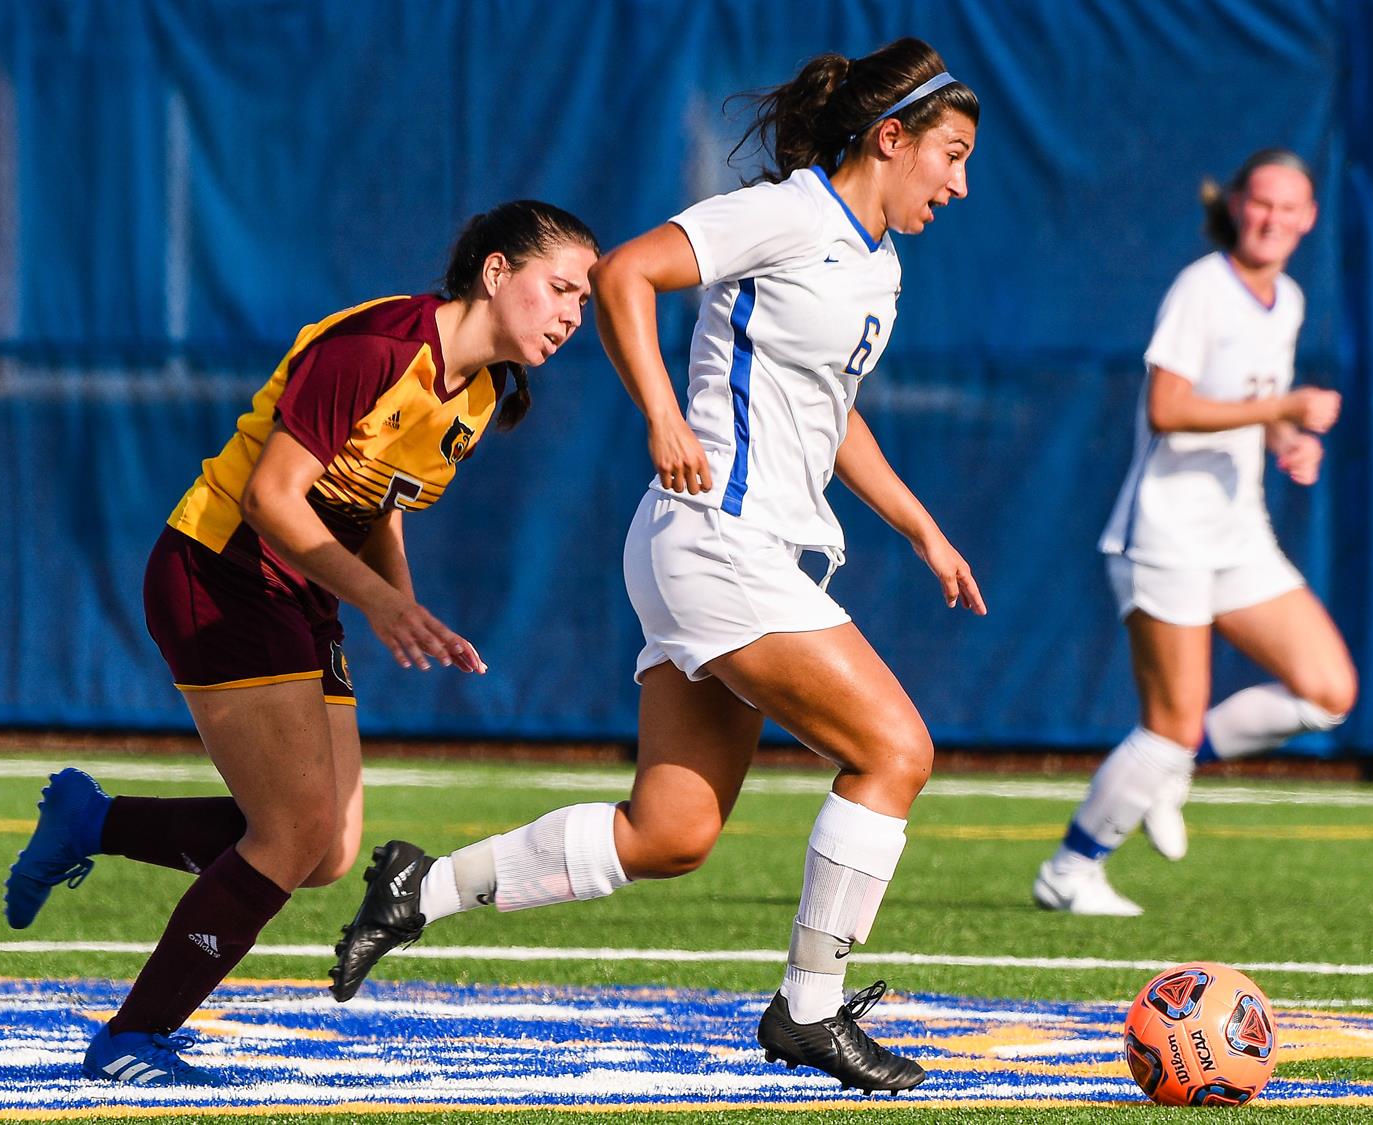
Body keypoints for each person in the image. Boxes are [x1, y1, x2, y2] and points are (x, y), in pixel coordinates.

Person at [326, 38, 982, 1096]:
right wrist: (663, 415)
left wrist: (919, 527)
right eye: (948, 154)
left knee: (669, 833)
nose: (956, 183)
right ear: (890, 137)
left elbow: (829, 414)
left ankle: (420, 887)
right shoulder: (794, 212)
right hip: (714, 541)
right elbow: (629, 270)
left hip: (737, 550)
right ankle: (807, 1011)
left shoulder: (877, 264)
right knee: (895, 750)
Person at [0, 201, 600, 1086]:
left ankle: (95, 820)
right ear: (496, 272)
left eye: (583, 299)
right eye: (561, 288)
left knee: (327, 849)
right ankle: (132, 1036)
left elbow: (379, 501)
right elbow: (272, 498)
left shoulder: (476, 395)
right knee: (293, 830)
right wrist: (380, 605)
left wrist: (404, 603)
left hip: (298, 590)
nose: (572, 314)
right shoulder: (374, 349)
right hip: (221, 570)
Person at [1033, 149, 1357, 916]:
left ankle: (1170, 771)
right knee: (1169, 722)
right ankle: (1070, 870)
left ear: (1310, 218)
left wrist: (1289, 441)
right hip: (1166, 534)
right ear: (1237, 204)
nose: (1272, 220)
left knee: (1328, 691)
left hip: (1239, 534)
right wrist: (1285, 411)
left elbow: (1258, 399)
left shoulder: (1288, 299)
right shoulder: (1202, 288)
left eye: (1290, 208)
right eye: (1261, 203)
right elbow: (1168, 410)